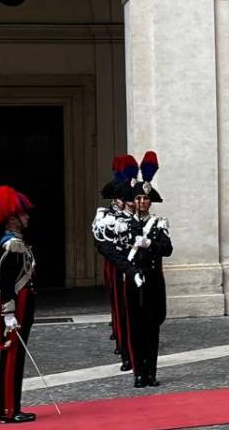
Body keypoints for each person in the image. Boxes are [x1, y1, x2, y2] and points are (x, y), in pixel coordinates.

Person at [0, 185, 37, 424]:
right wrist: (9, 312)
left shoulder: (15, 242)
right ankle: (8, 410)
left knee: (15, 358)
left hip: (19, 303)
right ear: (12, 219)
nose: (27, 217)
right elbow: (4, 282)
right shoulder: (11, 245)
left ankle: (10, 407)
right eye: (23, 214)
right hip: (16, 305)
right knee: (12, 358)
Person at [121, 151, 173, 387]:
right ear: (134, 201)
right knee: (135, 326)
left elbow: (168, 248)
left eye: (146, 199)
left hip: (152, 279)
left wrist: (150, 243)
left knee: (152, 327)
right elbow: (120, 252)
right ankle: (138, 373)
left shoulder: (159, 223)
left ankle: (151, 372)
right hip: (134, 279)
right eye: (139, 198)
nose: (142, 202)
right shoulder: (125, 224)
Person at [92, 154, 139, 371]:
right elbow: (102, 243)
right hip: (118, 263)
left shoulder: (138, 215)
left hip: (137, 263)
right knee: (121, 305)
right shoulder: (106, 215)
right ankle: (124, 346)